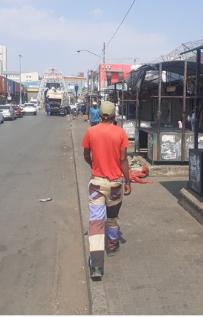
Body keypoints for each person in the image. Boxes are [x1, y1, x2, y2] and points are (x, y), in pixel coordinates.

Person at [81, 101, 131, 281]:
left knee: (95, 222)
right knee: (112, 217)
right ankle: (111, 245)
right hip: (116, 184)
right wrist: (128, 181)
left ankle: (96, 265)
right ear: (114, 116)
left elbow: (86, 155)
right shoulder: (120, 133)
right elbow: (123, 159)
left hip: (96, 185)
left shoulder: (90, 132)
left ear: (100, 114)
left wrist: (94, 165)